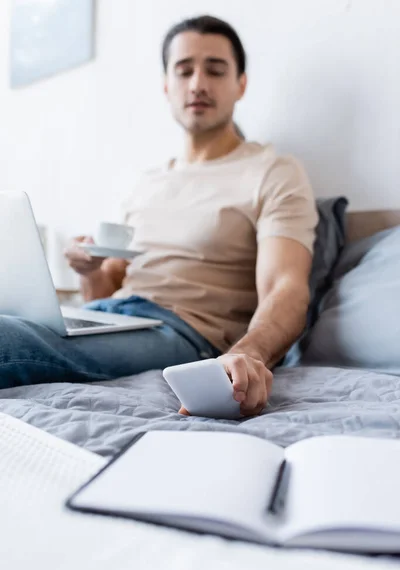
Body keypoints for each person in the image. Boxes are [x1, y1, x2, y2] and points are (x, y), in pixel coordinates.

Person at [1, 15, 318, 417]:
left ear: (241, 83)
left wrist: (248, 355)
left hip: (186, 332)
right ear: (167, 85)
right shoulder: (146, 184)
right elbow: (108, 291)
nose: (198, 83)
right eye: (184, 70)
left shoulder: (273, 171)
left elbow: (285, 287)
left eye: (215, 70)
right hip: (111, 317)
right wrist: (89, 270)